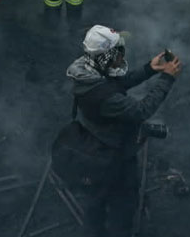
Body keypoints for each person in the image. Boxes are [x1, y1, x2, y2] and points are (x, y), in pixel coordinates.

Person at [51, 26, 181, 237]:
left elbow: (116, 84)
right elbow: (141, 110)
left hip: (94, 146)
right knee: (123, 204)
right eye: (118, 51)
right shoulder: (105, 98)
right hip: (110, 157)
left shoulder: (87, 70)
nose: (123, 54)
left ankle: (93, 228)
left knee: (95, 200)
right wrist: (167, 79)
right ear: (106, 56)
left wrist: (149, 69)